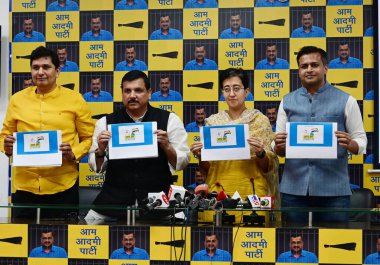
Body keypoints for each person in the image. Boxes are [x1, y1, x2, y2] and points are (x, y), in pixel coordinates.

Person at [274, 46, 367, 224]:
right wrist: (278, 146)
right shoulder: (286, 101)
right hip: (294, 191)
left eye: (314, 65)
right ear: (299, 71)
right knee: (293, 239)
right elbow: (279, 149)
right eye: (304, 66)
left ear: (325, 68)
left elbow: (361, 141)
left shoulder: (347, 100)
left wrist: (351, 144)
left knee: (334, 245)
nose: (309, 70)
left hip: (334, 192)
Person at [0, 46, 94, 219]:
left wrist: (74, 153)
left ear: (57, 71)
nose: (40, 72)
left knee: (64, 241)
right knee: (23, 243)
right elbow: (4, 135)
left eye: (46, 67)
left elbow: (89, 137)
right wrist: (7, 146)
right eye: (35, 68)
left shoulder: (75, 99)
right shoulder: (17, 100)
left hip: (63, 187)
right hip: (24, 188)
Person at [85, 70, 190, 219]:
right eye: (127, 91)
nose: (132, 95)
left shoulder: (169, 120)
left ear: (149, 93)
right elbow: (96, 168)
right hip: (113, 200)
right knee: (89, 221)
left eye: (138, 90)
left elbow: (183, 162)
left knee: (180, 223)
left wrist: (167, 146)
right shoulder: (105, 122)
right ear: (122, 94)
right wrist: (100, 151)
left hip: (159, 200)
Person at [190, 68, 278, 208]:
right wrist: (201, 156)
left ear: (246, 91)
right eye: (226, 89)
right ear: (222, 93)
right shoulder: (212, 123)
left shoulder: (260, 121)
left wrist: (261, 153)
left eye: (236, 88)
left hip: (252, 191)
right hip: (218, 192)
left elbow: (267, 167)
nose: (231, 94)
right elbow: (206, 170)